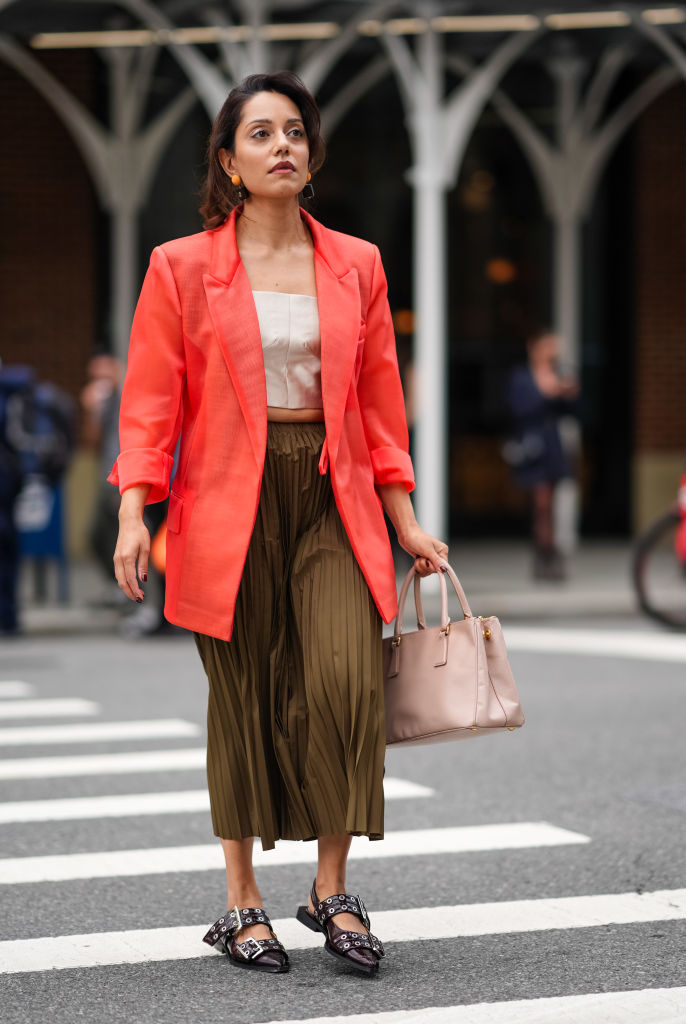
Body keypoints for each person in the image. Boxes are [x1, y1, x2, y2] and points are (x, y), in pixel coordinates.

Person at [109, 71, 448, 976]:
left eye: (294, 131)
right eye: (259, 134)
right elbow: (151, 400)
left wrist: (406, 518)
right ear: (228, 161)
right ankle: (241, 903)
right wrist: (134, 510)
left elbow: (378, 399)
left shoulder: (357, 263)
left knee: (346, 683)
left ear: (312, 153)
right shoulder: (182, 266)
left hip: (335, 491)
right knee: (246, 696)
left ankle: (330, 889)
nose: (282, 146)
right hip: (227, 497)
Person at [505, 329, 579, 580]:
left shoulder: (559, 373)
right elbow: (518, 408)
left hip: (553, 446)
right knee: (541, 503)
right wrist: (547, 393)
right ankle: (544, 552)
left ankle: (548, 554)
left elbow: (570, 411)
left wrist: (567, 394)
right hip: (533, 445)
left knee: (551, 504)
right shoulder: (521, 377)